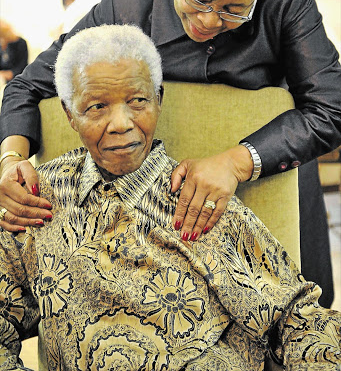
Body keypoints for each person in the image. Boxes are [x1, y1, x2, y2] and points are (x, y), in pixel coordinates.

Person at [0, 0, 340, 309]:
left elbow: (330, 108)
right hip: (161, 206)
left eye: (235, 10)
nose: (210, 21)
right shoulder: (123, 1)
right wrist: (11, 159)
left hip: (268, 177)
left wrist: (238, 160)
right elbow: (27, 85)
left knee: (296, 310)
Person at [0, 24, 340, 371]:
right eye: (98, 106)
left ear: (158, 100)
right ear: (70, 114)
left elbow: (299, 320)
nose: (121, 123)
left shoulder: (201, 199)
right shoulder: (36, 200)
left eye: (137, 101)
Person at [0, 19, 28, 86]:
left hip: (18, 78)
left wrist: (11, 73)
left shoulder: (20, 43)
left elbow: (22, 66)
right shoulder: (1, 46)